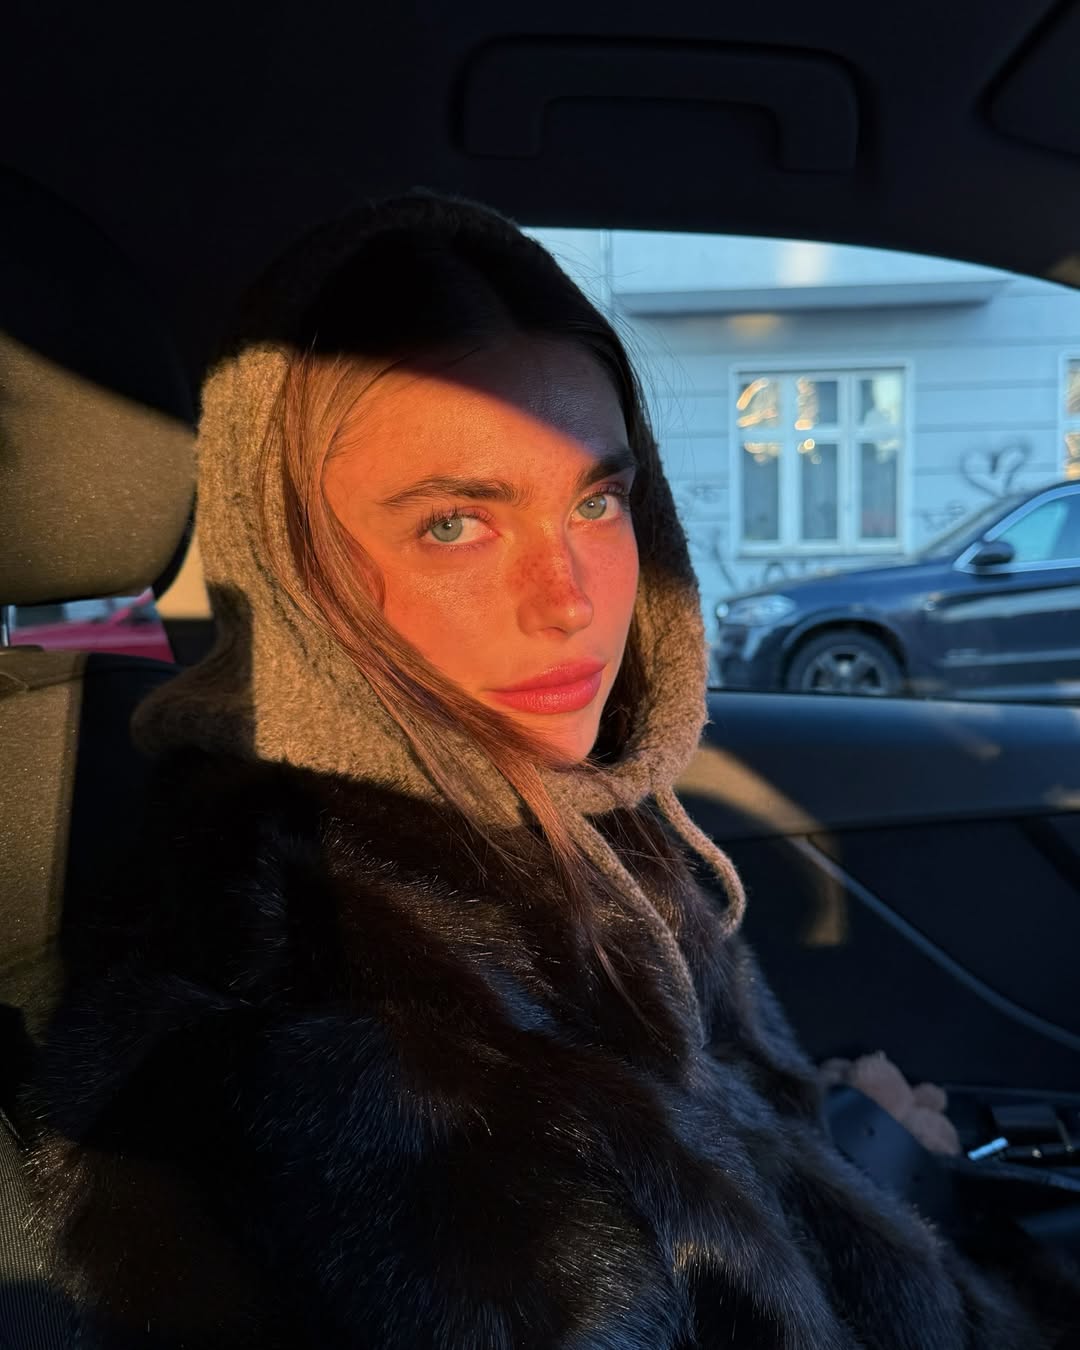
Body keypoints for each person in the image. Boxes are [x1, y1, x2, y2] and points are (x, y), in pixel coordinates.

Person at [28, 192, 1079, 1348]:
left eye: (597, 498)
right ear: (288, 562)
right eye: (453, 524)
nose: (570, 601)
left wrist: (863, 1159)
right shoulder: (326, 1015)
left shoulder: (546, 813)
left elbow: (697, 1155)